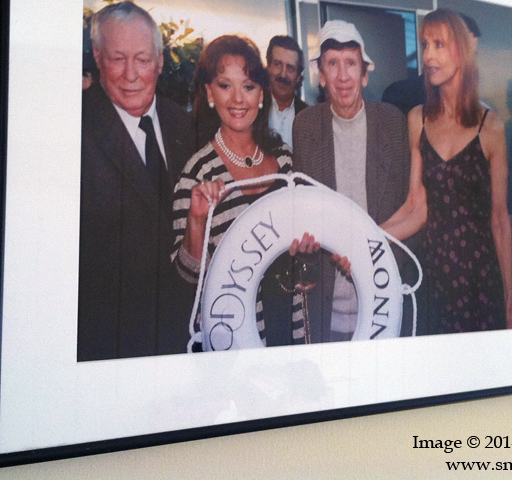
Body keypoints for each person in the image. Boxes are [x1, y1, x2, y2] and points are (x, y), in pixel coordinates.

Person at [171, 35, 346, 346]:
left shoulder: (285, 160)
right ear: (210, 93)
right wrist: (196, 220)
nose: (238, 99)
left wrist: (308, 258)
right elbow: (188, 278)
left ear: (261, 94)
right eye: (225, 86)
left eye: (248, 87)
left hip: (292, 330)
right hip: (235, 343)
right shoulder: (197, 174)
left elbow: (305, 264)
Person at [383, 9, 512, 333]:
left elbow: (500, 220)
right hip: (434, 283)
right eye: (425, 45)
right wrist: (366, 237)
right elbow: (416, 206)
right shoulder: (417, 119)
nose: (428, 55)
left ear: (461, 50)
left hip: (480, 283)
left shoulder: (491, 128)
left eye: (439, 45)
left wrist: (510, 308)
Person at [78, 1, 196, 362]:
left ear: (159, 61)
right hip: (110, 348)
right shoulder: (73, 127)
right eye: (117, 58)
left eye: (142, 60)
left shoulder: (184, 126)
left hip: (184, 342)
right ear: (97, 56)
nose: (131, 74)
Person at [292, 20, 410, 341]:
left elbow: (408, 211)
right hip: (327, 308)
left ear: (365, 74)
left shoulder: (393, 123)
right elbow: (304, 213)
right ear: (321, 75)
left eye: (351, 64)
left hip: (384, 303)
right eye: (333, 64)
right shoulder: (305, 126)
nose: (343, 76)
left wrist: (370, 256)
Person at [265, 35, 308, 148]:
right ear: (268, 66)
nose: (283, 74)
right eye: (277, 64)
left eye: (290, 68)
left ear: (298, 76)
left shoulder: (310, 117)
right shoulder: (253, 110)